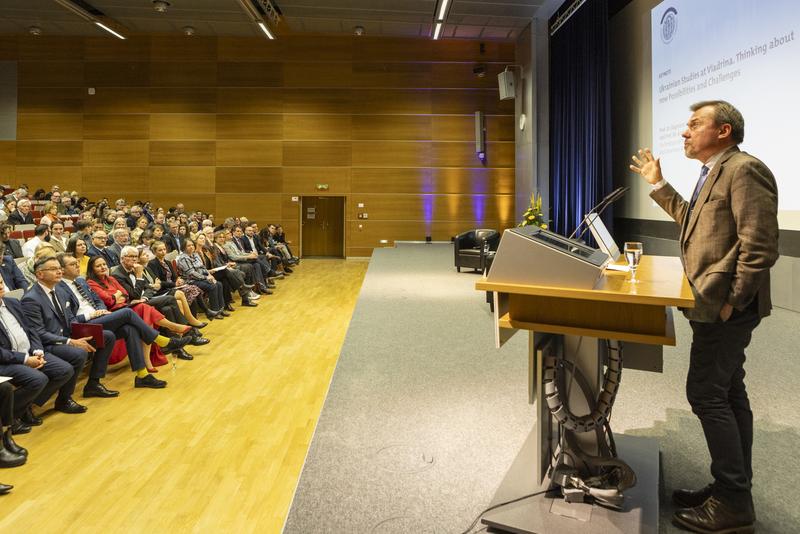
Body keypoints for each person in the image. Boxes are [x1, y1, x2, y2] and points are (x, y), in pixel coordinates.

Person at [630, 100, 779, 534]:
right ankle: (729, 489)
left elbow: (761, 246)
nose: (684, 132)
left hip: (726, 309)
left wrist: (733, 299)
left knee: (707, 393)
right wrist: (659, 185)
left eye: (695, 124)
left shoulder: (743, 169)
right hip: (710, 304)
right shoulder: (712, 172)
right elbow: (693, 224)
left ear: (724, 131)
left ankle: (734, 504)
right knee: (729, 393)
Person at [57, 253, 190, 388]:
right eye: (73, 264)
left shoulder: (80, 281)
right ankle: (162, 340)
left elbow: (98, 300)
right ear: (61, 269)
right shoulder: (58, 288)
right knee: (128, 312)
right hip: (82, 324)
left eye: (77, 263)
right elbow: (70, 320)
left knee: (129, 329)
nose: (78, 265)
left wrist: (102, 311)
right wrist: (92, 315)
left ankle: (142, 375)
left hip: (99, 317)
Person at [21, 256, 119, 406]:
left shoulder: (59, 291)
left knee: (106, 336)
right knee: (79, 353)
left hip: (67, 334)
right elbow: (38, 333)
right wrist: (70, 341)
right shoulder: (31, 299)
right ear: (40, 274)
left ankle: (93, 383)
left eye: (59, 268)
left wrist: (84, 331)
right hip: (48, 343)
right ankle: (63, 399)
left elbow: (70, 319)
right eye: (53, 269)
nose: (59, 272)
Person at [86, 255, 186, 372]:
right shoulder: (91, 283)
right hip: (113, 313)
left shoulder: (111, 279)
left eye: (104, 264)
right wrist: (117, 295)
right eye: (98, 266)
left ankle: (150, 359)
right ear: (92, 269)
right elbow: (109, 300)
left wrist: (116, 296)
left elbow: (125, 294)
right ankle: (172, 329)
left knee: (146, 313)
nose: (103, 267)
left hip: (125, 306)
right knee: (147, 307)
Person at [175, 239, 226, 318]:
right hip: (190, 280)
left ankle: (221, 309)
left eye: (192, 245)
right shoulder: (183, 258)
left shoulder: (195, 254)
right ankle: (215, 311)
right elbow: (191, 273)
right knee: (212, 286)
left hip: (201, 278)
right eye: (188, 246)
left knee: (219, 284)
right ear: (184, 247)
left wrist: (209, 275)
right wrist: (206, 277)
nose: (191, 247)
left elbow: (203, 267)